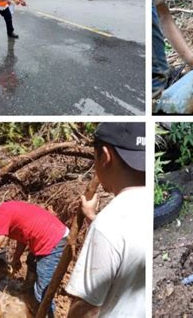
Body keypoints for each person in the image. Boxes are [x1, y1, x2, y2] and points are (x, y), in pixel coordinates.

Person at [66, 122, 146, 317]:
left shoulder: (109, 223)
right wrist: (92, 217)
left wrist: (98, 222)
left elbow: (87, 308)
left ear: (105, 155)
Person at [0, 192, 69, 317]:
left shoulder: (2, 216)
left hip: (53, 244)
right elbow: (23, 235)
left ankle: (46, 314)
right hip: (51, 238)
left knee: (44, 293)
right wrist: (16, 258)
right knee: (32, 263)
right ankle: (29, 299)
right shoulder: (7, 208)